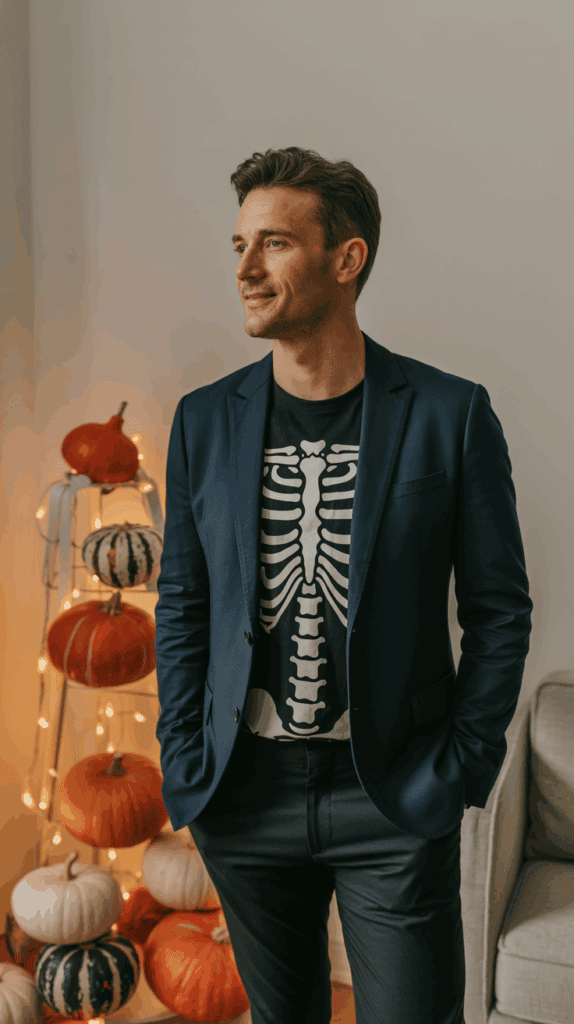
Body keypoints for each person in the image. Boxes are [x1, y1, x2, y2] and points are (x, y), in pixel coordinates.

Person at [154, 146, 533, 1024]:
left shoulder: (449, 414)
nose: (245, 270)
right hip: (244, 795)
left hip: (393, 797)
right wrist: (185, 757)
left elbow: (498, 608)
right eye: (239, 245)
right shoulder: (205, 420)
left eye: (274, 243)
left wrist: (461, 767)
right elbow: (182, 604)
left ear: (347, 257)